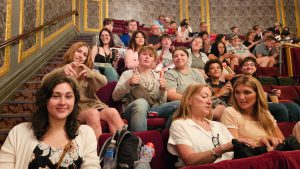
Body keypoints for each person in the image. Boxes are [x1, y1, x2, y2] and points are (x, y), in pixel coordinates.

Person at [0, 76, 100, 168]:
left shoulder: (86, 134)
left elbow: (92, 166)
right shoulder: (19, 132)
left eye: (68, 96)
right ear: (45, 99)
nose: (62, 102)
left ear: (74, 101)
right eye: (55, 96)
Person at [42, 42, 125, 139]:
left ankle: (124, 148)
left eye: (85, 55)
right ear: (73, 51)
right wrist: (62, 70)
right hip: (76, 109)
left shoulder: (88, 71)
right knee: (92, 113)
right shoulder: (62, 70)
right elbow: (44, 82)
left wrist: (89, 73)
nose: (81, 56)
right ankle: (96, 151)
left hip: (94, 105)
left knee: (113, 112)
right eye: (79, 51)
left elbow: (104, 82)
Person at [168, 84, 254, 167]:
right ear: (189, 100)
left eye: (210, 98)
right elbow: (190, 161)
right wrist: (222, 148)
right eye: (204, 97)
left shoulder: (219, 125)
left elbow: (234, 154)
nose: (210, 102)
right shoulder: (180, 125)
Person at [112, 46, 179, 131]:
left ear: (154, 61)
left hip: (153, 109)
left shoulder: (157, 76)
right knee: (141, 103)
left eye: (150, 56)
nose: (147, 57)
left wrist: (163, 90)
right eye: (144, 54)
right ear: (139, 57)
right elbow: (115, 97)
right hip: (132, 109)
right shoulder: (127, 74)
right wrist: (128, 83)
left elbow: (162, 102)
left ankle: (164, 136)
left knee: (179, 105)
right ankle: (139, 141)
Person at [221, 76, 285, 150]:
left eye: (247, 92)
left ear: (258, 94)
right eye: (237, 92)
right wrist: (260, 144)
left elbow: (282, 141)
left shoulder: (265, 113)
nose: (241, 97)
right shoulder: (230, 112)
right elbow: (234, 148)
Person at [231, 57, 300, 122]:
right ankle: (280, 130)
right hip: (251, 104)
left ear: (255, 68)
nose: (249, 67)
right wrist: (266, 95)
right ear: (241, 68)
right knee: (280, 108)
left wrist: (271, 94)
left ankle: (292, 130)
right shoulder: (237, 79)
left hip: (260, 101)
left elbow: (260, 94)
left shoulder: (257, 80)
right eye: (245, 65)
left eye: (252, 65)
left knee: (294, 106)